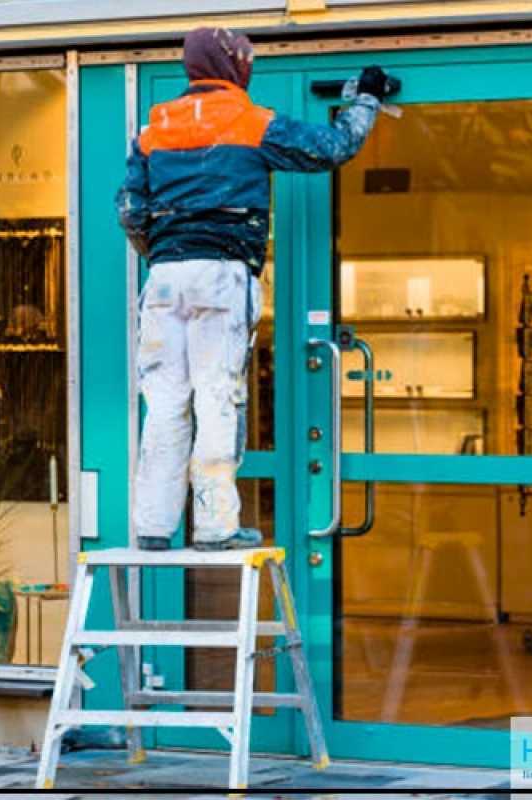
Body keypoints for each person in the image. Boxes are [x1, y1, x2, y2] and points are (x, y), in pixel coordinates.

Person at [117, 27, 389, 551]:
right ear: (234, 65)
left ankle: (153, 526)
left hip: (164, 281)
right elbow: (333, 148)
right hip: (221, 275)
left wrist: (163, 252)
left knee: (166, 403)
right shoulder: (248, 120)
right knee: (218, 398)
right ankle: (217, 527)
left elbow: (130, 210)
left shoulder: (154, 128)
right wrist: (366, 98)